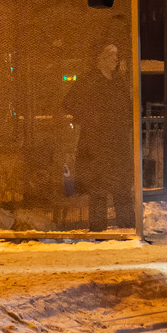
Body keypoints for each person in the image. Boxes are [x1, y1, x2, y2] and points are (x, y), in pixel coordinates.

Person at [61, 40, 135, 232]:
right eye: (111, 55)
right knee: (98, 187)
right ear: (100, 59)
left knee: (122, 186)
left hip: (117, 143)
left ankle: (127, 226)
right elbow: (68, 102)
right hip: (97, 143)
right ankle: (98, 228)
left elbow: (127, 108)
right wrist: (90, 117)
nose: (115, 60)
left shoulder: (118, 82)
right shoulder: (88, 81)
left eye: (117, 56)